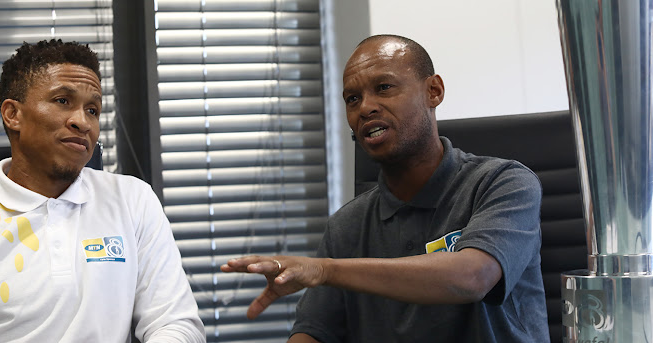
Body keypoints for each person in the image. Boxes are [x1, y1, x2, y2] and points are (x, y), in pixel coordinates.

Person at [221, 35, 550, 342]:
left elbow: (473, 277)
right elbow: (315, 332)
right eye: (353, 98)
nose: (365, 107)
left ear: (433, 91)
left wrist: (324, 268)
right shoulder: (347, 225)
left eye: (384, 87)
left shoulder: (502, 183)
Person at [0, 39, 205, 342]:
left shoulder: (132, 199)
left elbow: (175, 323)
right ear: (12, 114)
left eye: (93, 110)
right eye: (62, 101)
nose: (83, 123)